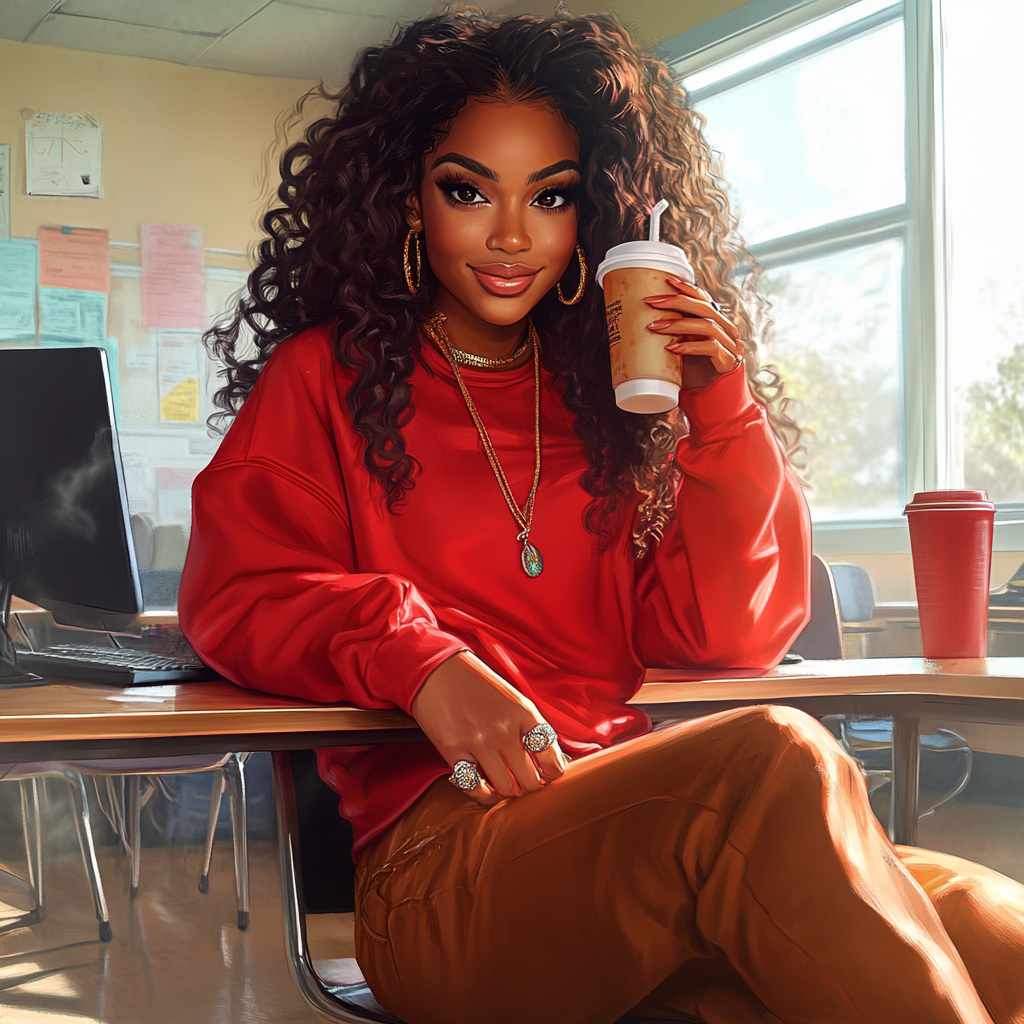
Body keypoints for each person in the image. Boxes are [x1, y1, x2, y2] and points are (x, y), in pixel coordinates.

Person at [178, 11, 1024, 1024]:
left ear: (590, 216)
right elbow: (239, 593)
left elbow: (728, 639)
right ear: (407, 198)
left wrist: (720, 406)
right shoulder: (324, 378)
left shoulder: (605, 396)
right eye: (466, 189)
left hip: (647, 836)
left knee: (986, 924)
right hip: (444, 862)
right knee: (774, 763)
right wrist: (421, 660)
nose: (508, 234)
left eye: (550, 197)